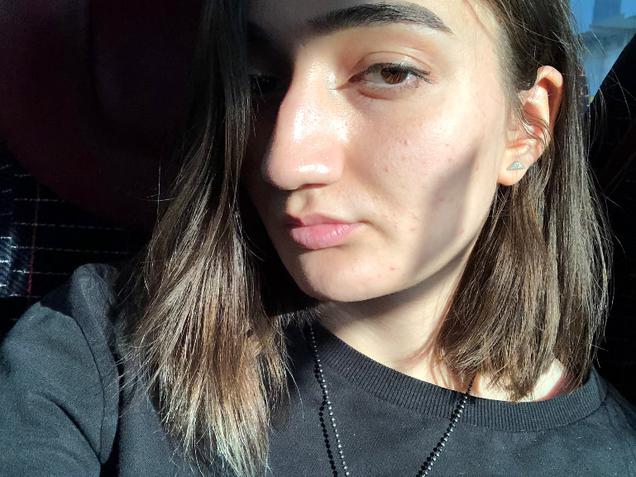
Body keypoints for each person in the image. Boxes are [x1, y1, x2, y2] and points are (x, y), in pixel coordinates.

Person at [1, 0, 635, 476]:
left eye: (389, 72)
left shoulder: (611, 457)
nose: (284, 161)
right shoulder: (100, 350)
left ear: (525, 127)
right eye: (258, 82)